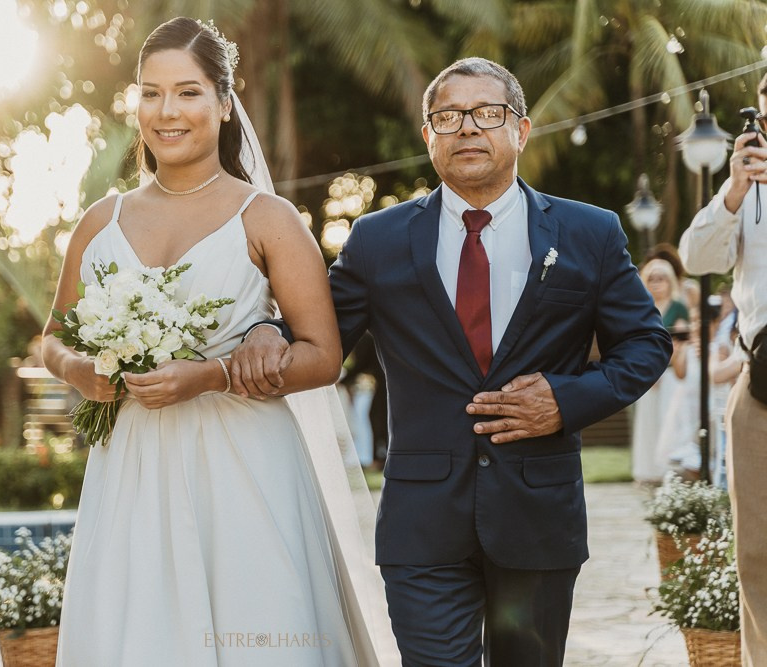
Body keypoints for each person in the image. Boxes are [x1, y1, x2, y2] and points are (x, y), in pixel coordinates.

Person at [232, 57, 671, 666]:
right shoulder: (378, 239)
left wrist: (564, 401)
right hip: (422, 526)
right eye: (447, 116)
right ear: (427, 137)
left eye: (487, 113)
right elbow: (318, 330)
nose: (466, 128)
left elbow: (647, 345)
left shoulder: (588, 233)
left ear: (520, 130)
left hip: (539, 519)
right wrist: (263, 329)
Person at [42, 18, 392, 666]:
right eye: (150, 93)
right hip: (132, 466)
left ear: (225, 104)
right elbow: (50, 339)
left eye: (188, 92)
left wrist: (213, 375)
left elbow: (321, 355)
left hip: (244, 462)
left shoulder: (267, 218)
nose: (166, 111)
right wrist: (81, 369)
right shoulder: (100, 221)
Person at [679, 72, 767, 666]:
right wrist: (733, 191)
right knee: (758, 549)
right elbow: (697, 258)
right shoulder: (748, 184)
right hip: (762, 385)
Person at [631, 258, 689, 483]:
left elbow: (680, 342)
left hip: (670, 374)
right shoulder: (642, 307)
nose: (656, 283)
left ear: (670, 281)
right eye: (651, 278)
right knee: (647, 422)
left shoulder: (678, 307)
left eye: (661, 278)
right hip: (646, 375)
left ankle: (667, 470)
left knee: (668, 422)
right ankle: (647, 469)